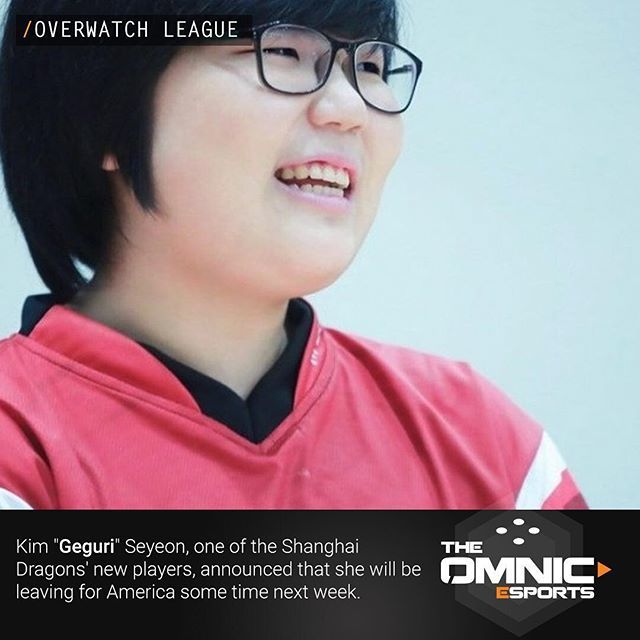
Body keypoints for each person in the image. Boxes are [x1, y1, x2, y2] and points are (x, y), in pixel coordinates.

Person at [0, 0, 587, 509]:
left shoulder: (482, 444)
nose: (351, 107)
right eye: (282, 52)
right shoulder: (18, 440)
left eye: (371, 66)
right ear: (101, 119)